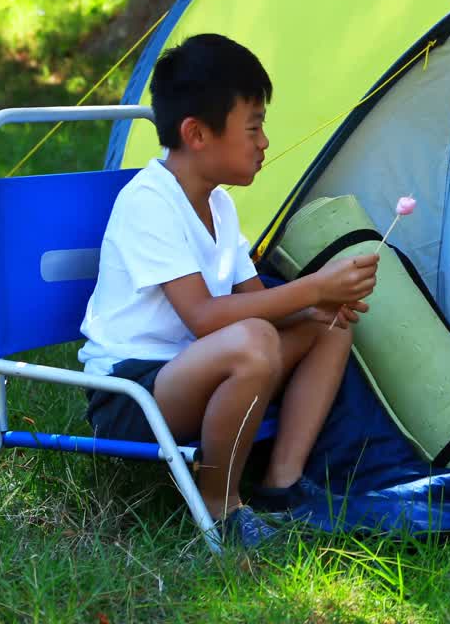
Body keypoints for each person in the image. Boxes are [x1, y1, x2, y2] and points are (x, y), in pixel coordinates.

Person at [79, 33, 380, 546]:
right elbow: (203, 316)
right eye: (254, 127)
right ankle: (221, 506)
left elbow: (257, 298)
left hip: (200, 367)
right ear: (198, 134)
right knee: (254, 341)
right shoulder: (149, 202)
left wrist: (325, 299)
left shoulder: (218, 204)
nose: (264, 142)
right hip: (134, 394)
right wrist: (311, 287)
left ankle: (282, 484)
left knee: (329, 325)